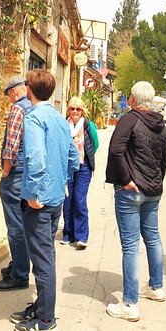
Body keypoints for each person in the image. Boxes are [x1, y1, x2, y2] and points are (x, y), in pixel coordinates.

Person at [9, 70, 80, 331]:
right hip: (55, 198)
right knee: (45, 254)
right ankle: (40, 308)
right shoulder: (60, 120)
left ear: (29, 89)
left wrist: (35, 193)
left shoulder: (35, 118)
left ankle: (46, 321)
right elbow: (74, 158)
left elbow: (36, 158)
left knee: (43, 260)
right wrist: (60, 180)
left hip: (39, 200)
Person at [105, 81, 166, 322]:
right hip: (152, 189)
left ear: (132, 98)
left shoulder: (129, 119)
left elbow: (115, 150)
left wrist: (125, 180)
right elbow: (164, 158)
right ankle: (156, 287)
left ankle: (130, 303)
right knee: (152, 237)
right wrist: (156, 181)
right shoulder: (161, 125)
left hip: (132, 190)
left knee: (131, 245)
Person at [0, 77, 32, 291]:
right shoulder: (35, 108)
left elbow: (11, 146)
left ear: (14, 92)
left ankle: (19, 274)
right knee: (25, 223)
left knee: (15, 226)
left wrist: (5, 171)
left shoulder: (18, 109)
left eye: (8, 94)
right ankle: (19, 263)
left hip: (16, 174)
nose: (9, 99)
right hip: (31, 174)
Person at [61, 96, 99, 249]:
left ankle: (82, 235)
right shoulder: (63, 125)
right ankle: (68, 233)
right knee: (67, 200)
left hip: (84, 167)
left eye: (78, 109)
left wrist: (84, 157)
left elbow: (95, 145)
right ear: (68, 110)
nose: (75, 111)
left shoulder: (89, 126)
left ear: (82, 111)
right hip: (67, 168)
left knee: (80, 200)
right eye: (72, 108)